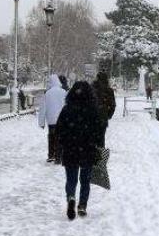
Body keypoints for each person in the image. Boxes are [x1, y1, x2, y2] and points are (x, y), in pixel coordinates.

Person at [56, 81, 102, 220]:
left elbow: (59, 130)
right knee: (85, 180)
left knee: (71, 179)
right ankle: (82, 205)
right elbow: (99, 131)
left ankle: (71, 197)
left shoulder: (67, 109)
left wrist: (63, 145)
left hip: (71, 148)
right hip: (88, 148)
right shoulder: (93, 110)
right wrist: (97, 145)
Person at [38, 74, 67, 164]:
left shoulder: (48, 93)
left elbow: (43, 108)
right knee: (60, 137)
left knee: (51, 136)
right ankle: (58, 156)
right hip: (62, 120)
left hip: (51, 120)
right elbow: (67, 105)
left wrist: (41, 122)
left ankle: (51, 155)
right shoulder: (63, 92)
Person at [92, 72, 116, 147]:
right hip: (103, 117)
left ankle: (91, 154)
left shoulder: (91, 89)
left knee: (91, 137)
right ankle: (101, 154)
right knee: (101, 137)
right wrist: (108, 115)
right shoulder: (109, 90)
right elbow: (113, 105)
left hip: (91, 116)